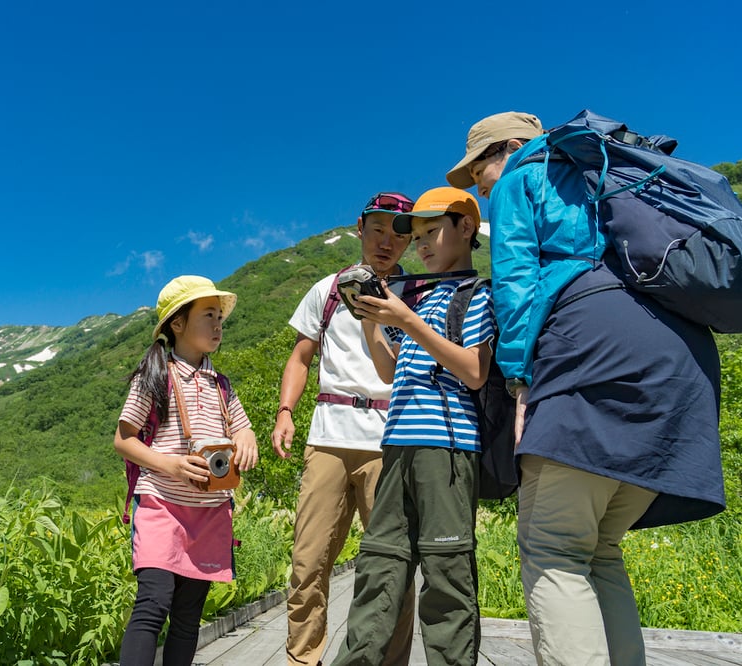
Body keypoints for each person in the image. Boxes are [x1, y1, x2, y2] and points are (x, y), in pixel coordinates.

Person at [447, 112, 724, 665]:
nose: (486, 191)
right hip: (682, 362)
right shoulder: (606, 173)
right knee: (598, 551)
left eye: (481, 179)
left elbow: (517, 284)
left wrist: (519, 380)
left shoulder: (525, 174)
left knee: (554, 550)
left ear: (504, 149)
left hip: (593, 352)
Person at [332, 187, 494, 666]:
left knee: (447, 575)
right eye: (416, 236)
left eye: (430, 231)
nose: (420, 244)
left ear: (465, 229)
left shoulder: (476, 293)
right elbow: (390, 370)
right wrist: (369, 321)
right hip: (397, 443)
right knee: (379, 566)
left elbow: (474, 370)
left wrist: (406, 317)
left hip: (446, 448)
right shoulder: (415, 297)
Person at [273, 192, 418, 666]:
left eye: (398, 233)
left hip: (391, 438)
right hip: (328, 437)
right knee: (309, 559)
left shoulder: (415, 293)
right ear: (360, 228)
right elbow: (301, 356)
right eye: (377, 229)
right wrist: (284, 412)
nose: (385, 242)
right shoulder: (328, 289)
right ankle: (303, 657)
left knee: (391, 565)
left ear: (410, 239)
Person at [114, 275, 259, 666]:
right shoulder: (155, 375)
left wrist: (248, 439)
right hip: (161, 504)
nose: (218, 325)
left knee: (188, 615)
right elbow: (123, 439)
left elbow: (242, 427)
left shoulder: (221, 385)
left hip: (211, 512)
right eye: (208, 315)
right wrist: (173, 465)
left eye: (220, 318)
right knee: (153, 602)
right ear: (177, 324)